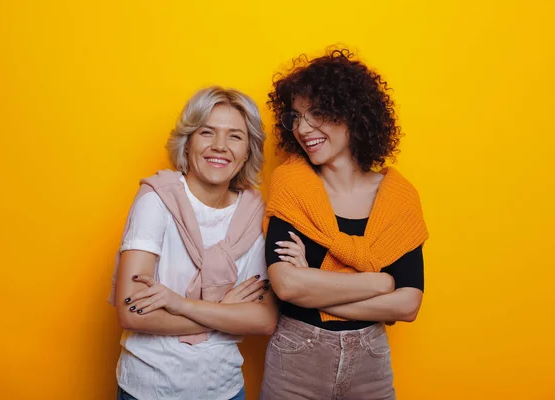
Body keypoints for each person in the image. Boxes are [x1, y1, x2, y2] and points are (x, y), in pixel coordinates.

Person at [260, 48, 429, 400]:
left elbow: (407, 304)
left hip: (371, 362)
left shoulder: (399, 197)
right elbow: (287, 285)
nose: (304, 129)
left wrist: (317, 289)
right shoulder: (291, 184)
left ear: (353, 114)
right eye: (296, 117)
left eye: (317, 113)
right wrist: (379, 281)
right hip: (296, 359)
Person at [108, 86, 277, 400]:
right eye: (207, 132)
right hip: (148, 388)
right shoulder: (156, 201)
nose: (220, 147)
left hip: (225, 389)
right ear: (187, 142)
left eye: (235, 136)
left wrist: (180, 304)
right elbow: (131, 311)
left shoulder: (254, 214)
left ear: (248, 150)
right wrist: (223, 312)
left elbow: (264, 319)